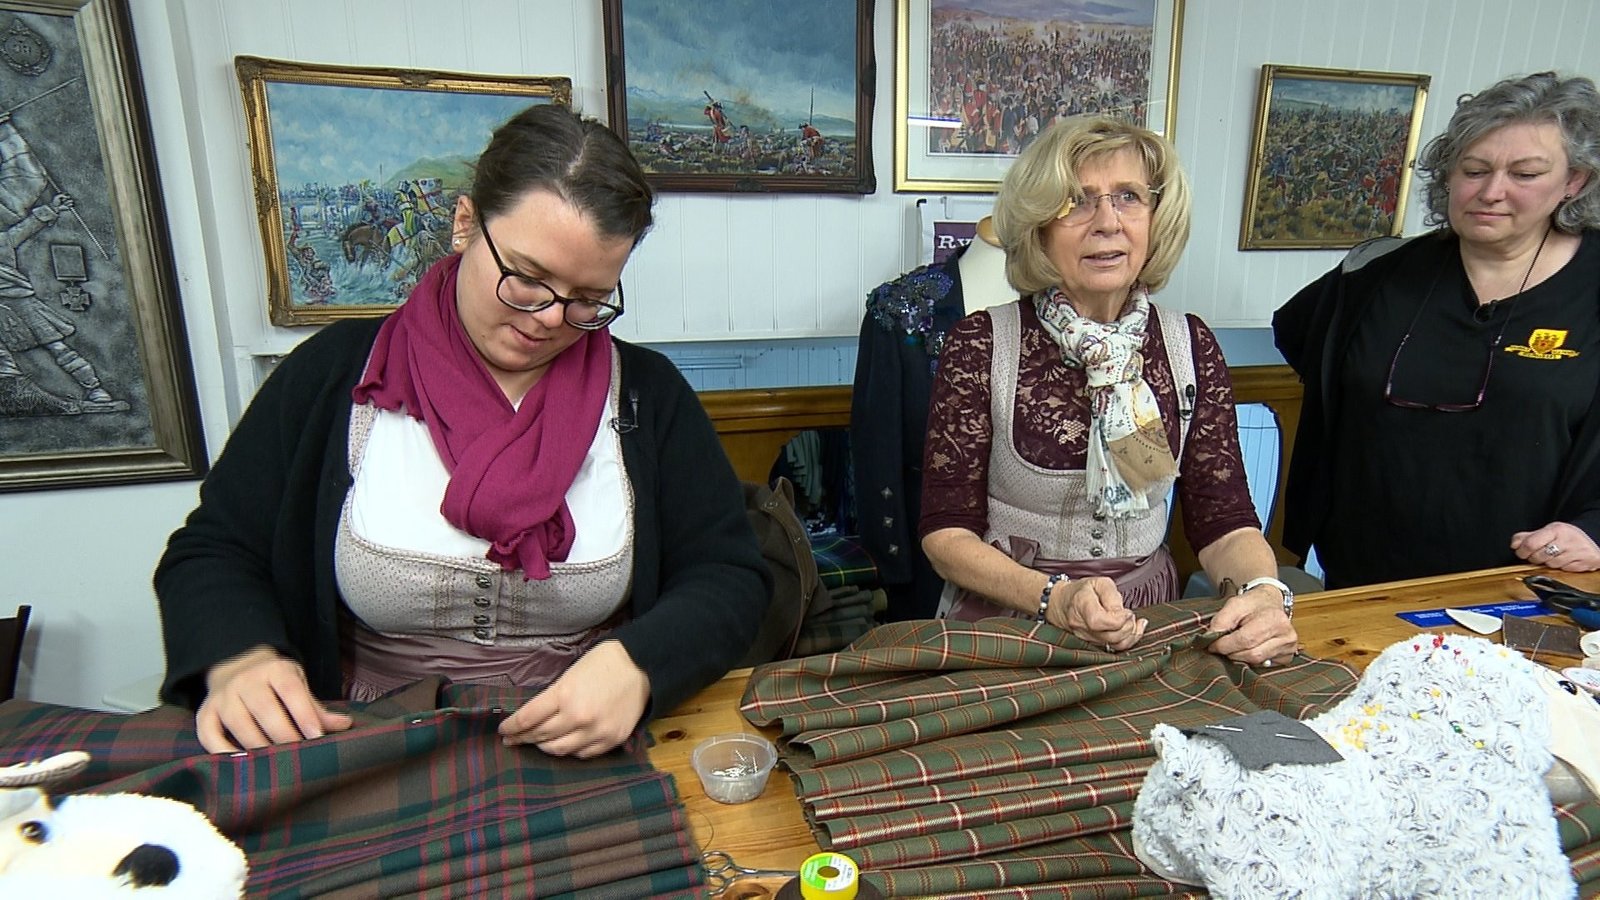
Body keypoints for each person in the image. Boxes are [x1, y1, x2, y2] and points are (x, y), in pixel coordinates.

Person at [154, 104, 772, 758]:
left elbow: (729, 574)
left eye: (589, 298)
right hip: (364, 743)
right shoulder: (334, 374)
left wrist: (639, 663)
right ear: (465, 223)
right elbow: (215, 549)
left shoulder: (649, 394)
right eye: (527, 279)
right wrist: (240, 658)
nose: (550, 318)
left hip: (579, 745)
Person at [918, 116, 1297, 665]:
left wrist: (1264, 593)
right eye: (1076, 201)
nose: (1107, 222)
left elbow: (1225, 520)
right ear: (1039, 226)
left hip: (1146, 622)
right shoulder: (980, 344)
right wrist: (1054, 598)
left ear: (1156, 218)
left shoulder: (1189, 345)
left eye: (1129, 197)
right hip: (1010, 623)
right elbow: (945, 535)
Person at [1274, 71, 1600, 588]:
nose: (1491, 192)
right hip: (1362, 578)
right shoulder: (1373, 275)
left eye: (1525, 174)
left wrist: (1595, 531)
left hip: (1530, 582)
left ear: (1574, 181)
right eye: (1474, 170)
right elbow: (1301, 339)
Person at [852, 213, 1016, 622]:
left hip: (1055, 562)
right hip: (928, 562)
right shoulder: (901, 309)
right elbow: (876, 451)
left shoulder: (1072, 308)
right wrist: (893, 569)